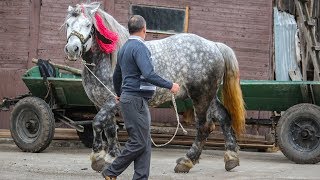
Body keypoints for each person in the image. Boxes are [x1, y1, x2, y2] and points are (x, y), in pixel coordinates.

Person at [101, 15, 180, 180]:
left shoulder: (123, 49)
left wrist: (119, 94)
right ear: (144, 29)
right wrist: (170, 85)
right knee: (139, 142)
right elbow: (148, 73)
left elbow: (117, 75)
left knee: (144, 141)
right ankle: (111, 171)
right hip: (136, 100)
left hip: (131, 99)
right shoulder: (140, 48)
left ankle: (140, 177)